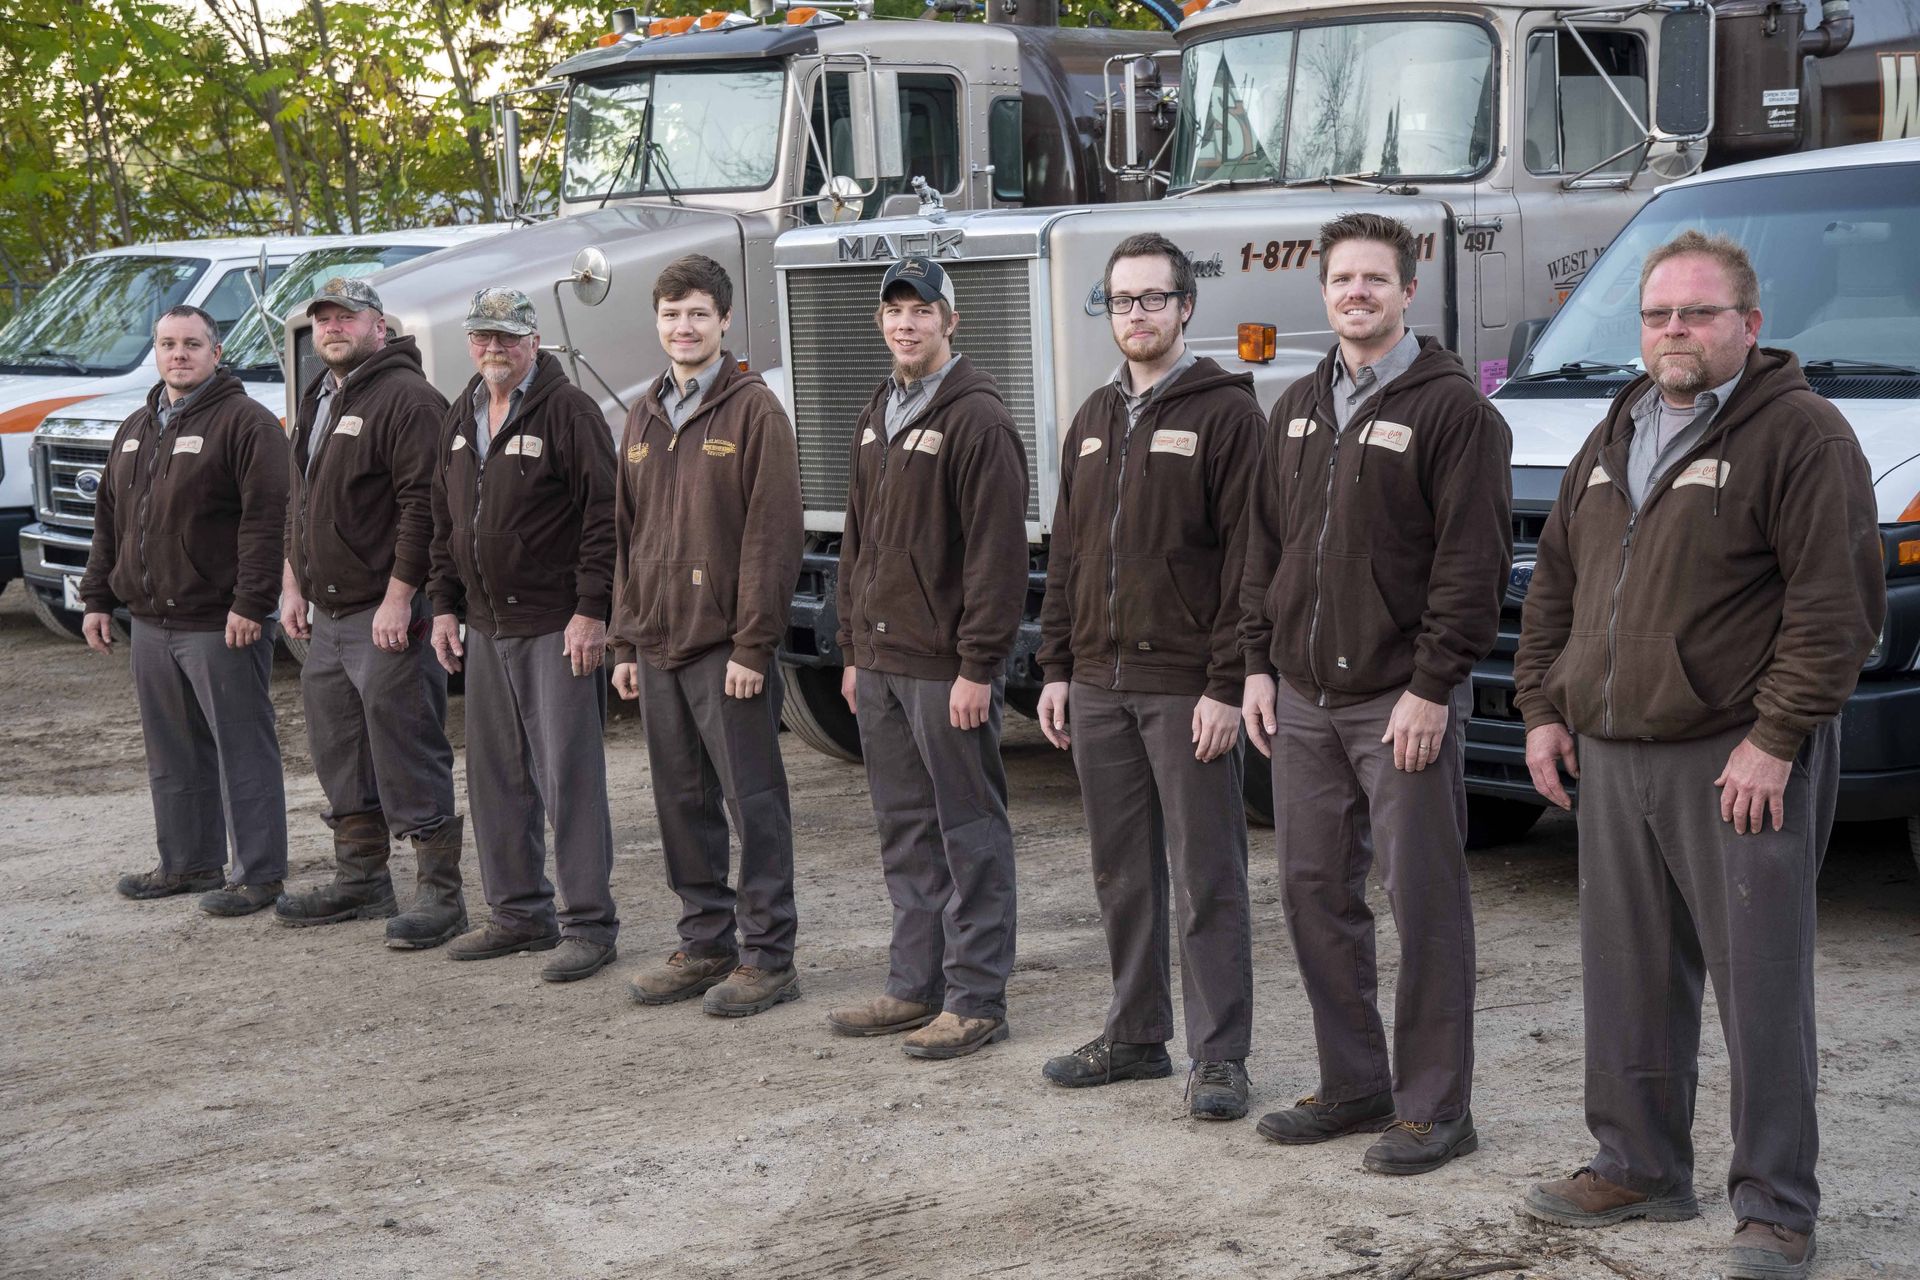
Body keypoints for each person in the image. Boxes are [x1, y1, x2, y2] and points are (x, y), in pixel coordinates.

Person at [1514, 230, 1883, 1280]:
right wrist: (1542, 706)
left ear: (1750, 326)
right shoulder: (1619, 424)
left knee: (1759, 983)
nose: (1674, 330)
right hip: (1612, 749)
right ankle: (1636, 1162)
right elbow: (1558, 587)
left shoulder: (1800, 435)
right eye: (1658, 314)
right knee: (1626, 973)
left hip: (1734, 754)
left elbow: (1834, 610)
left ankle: (1775, 1206)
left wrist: (1776, 739)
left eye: (1698, 313)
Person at [1240, 212, 1511, 1173]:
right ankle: (1354, 1082)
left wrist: (1434, 686)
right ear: (1324, 294)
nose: (1357, 293)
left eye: (1375, 279)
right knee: (1313, 889)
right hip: (1304, 698)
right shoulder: (1298, 405)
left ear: (1407, 293)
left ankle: (1436, 1108)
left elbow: (1472, 567)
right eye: (1342, 279)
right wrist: (1256, 666)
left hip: (1400, 701)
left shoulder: (1455, 413)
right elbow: (1262, 548)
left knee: (1423, 899)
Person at [1034, 231, 1262, 1119]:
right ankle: (1134, 1035)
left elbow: (1251, 559)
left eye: (1153, 299)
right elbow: (1069, 555)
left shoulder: (1227, 415)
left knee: (1207, 873)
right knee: (1121, 871)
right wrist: (1057, 667)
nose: (1136, 315)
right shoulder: (1092, 419)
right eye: (1122, 301)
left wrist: (1227, 684)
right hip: (1097, 683)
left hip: (1185, 688)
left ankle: (1221, 1057)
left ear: (1185, 307)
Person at [824, 255, 1029, 1060]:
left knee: (968, 828)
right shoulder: (881, 405)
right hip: (879, 663)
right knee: (905, 827)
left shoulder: (978, 418)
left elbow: (996, 557)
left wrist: (980, 666)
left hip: (945, 668)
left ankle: (977, 996)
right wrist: (851, 649)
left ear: (951, 320)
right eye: (894, 311)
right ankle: (916, 985)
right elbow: (858, 537)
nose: (906, 323)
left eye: (921, 310)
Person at [612, 255, 805, 1016]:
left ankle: (767, 956)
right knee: (679, 803)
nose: (682, 327)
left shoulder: (755, 410)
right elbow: (627, 537)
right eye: (670, 314)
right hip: (657, 643)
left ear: (724, 321)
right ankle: (704, 943)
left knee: (751, 802)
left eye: (697, 313)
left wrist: (755, 646)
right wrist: (626, 644)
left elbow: (773, 536)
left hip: (727, 650)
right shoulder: (642, 412)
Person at [427, 287, 620, 983]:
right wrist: (442, 605)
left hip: (553, 625)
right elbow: (442, 518)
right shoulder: (462, 411)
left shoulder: (569, 411)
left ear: (534, 341)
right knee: (496, 778)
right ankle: (517, 914)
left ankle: (590, 924)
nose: (494, 349)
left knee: (569, 778)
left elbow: (605, 515)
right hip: (484, 626)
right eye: (482, 337)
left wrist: (593, 610)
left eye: (507, 337)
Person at [274, 277, 468, 949]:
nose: (333, 328)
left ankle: (441, 896)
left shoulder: (408, 399)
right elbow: (300, 499)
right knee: (341, 750)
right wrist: (292, 580)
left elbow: (426, 506)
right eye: (324, 319)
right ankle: (361, 880)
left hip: (384, 615)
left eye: (346, 319)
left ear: (379, 328)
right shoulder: (320, 394)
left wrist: (400, 594)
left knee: (407, 746)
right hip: (324, 618)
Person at [85, 305, 291, 916]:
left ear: (216, 352)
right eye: (169, 344)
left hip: (219, 621)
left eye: (192, 344)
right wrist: (97, 596)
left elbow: (266, 522)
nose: (179, 355)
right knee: (172, 751)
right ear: (156, 352)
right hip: (150, 621)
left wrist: (253, 602)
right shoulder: (136, 427)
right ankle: (189, 863)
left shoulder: (248, 425)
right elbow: (109, 522)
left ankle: (259, 875)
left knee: (242, 750)